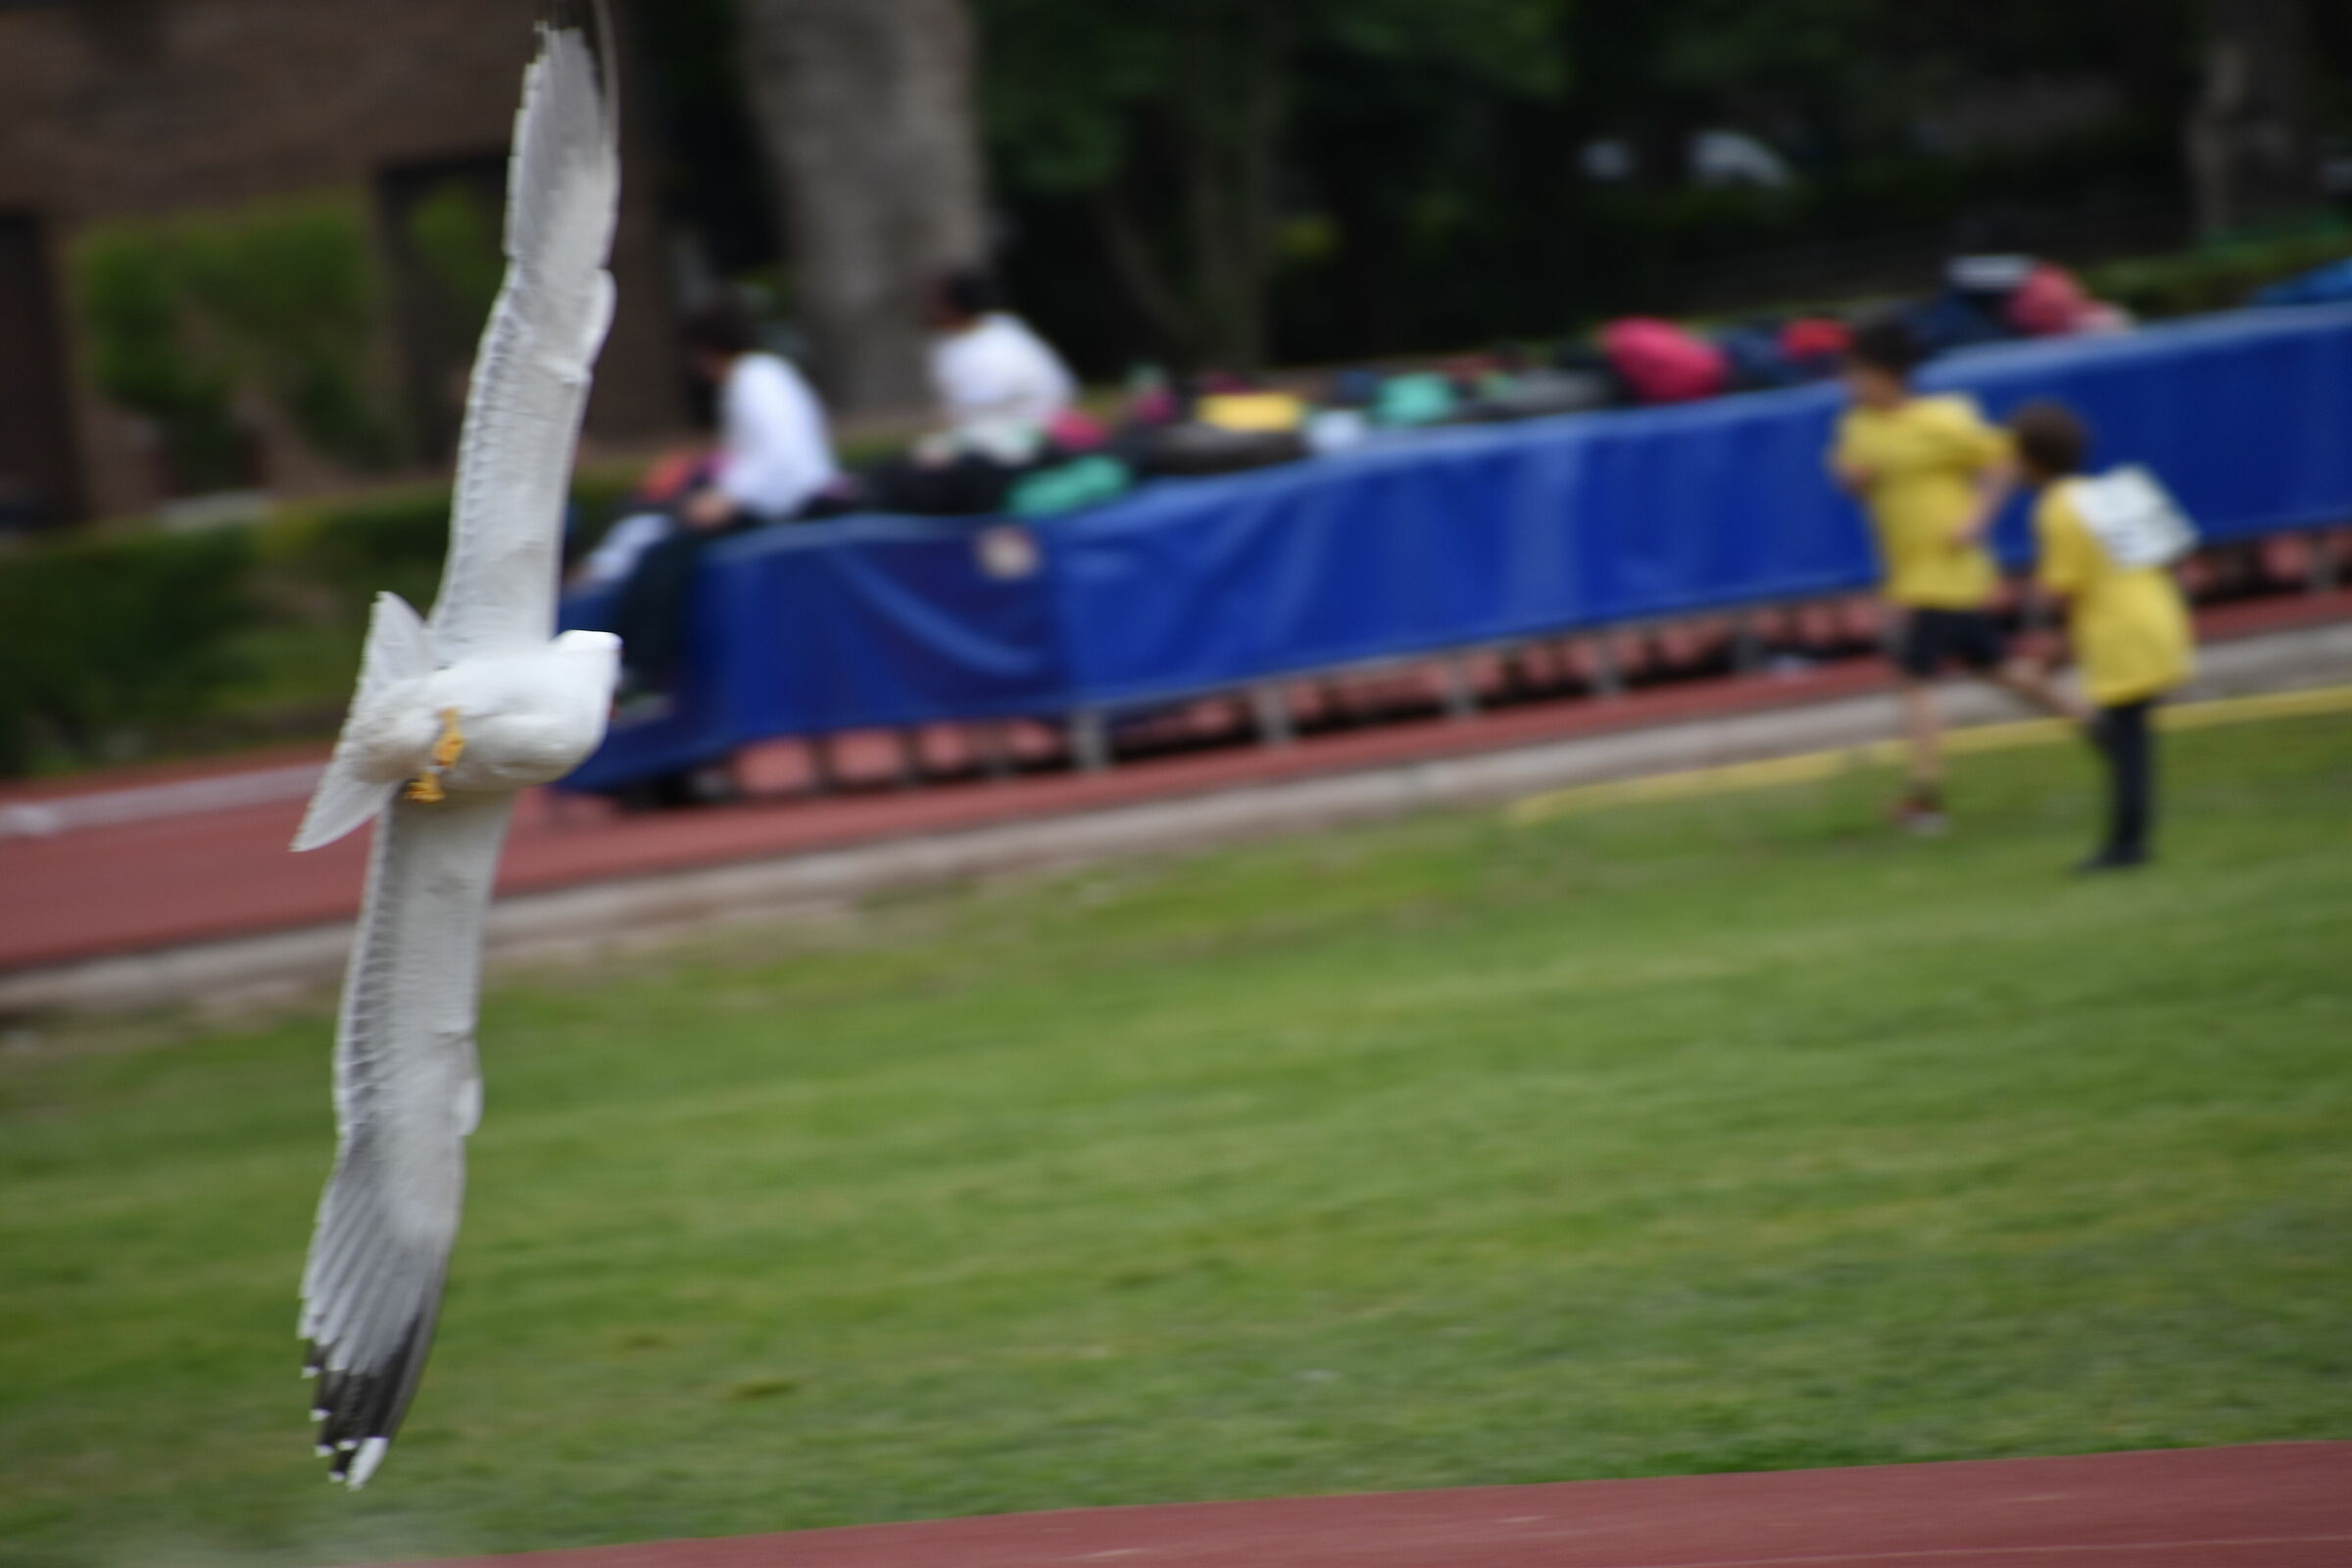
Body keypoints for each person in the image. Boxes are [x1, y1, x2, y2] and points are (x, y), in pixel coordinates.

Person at [1828, 317, 2088, 833]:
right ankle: (2093, 723)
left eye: (1857, 373)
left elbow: (2008, 459)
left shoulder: (1943, 420)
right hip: (1909, 579)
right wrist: (1852, 481)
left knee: (1914, 675)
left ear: (1889, 375)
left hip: (1946, 576)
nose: (1848, 384)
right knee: (1994, 669)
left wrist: (1978, 517)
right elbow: (1847, 473)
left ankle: (1926, 798)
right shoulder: (1857, 425)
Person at [613, 300, 843, 696]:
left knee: (665, 556)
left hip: (788, 508)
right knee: (662, 541)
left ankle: (641, 669)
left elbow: (782, 452)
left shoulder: (754, 379)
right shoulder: (759, 376)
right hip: (777, 502)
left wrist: (727, 500)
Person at [2009, 402, 2197, 872]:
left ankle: (2126, 844)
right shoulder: (2103, 492)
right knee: (2128, 735)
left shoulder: (2053, 509)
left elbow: (2064, 592)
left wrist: (2053, 656)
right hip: (2157, 613)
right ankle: (2128, 838)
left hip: (2119, 630)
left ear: (2031, 460)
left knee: (2127, 738)